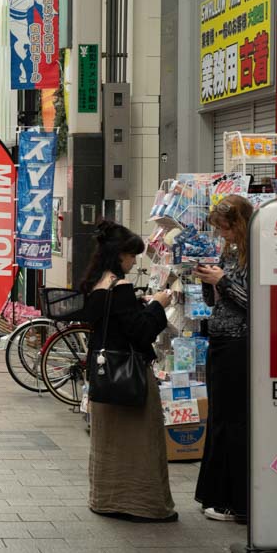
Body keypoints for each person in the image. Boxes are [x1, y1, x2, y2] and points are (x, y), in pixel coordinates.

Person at [81, 219, 179, 522]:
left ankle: (106, 498)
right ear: (119, 255)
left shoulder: (95, 284)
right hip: (129, 374)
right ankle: (141, 503)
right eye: (131, 255)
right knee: (140, 441)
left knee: (108, 443)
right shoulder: (120, 287)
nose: (134, 260)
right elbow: (141, 332)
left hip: (103, 375)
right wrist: (158, 305)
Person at [194, 194, 253, 523]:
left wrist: (224, 281)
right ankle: (216, 494)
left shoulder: (255, 253)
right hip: (219, 337)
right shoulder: (230, 252)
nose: (222, 236)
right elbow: (219, 298)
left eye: (226, 229)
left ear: (239, 225)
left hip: (239, 341)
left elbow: (256, 301)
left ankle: (236, 500)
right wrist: (208, 281)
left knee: (233, 420)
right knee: (218, 418)